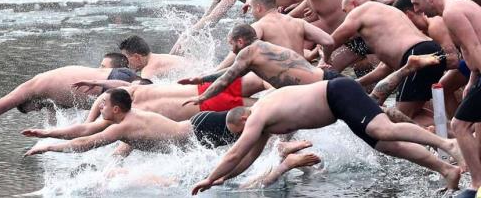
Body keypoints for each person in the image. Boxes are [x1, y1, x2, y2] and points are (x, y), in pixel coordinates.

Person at [190, 78, 464, 195]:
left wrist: (210, 177)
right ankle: (446, 170)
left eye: (240, 132)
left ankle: (446, 144)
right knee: (387, 146)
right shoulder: (262, 121)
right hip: (339, 105)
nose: (244, 135)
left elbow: (236, 152)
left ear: (242, 119)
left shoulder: (258, 115)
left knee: (383, 130)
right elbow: (248, 156)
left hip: (337, 93)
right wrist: (226, 177)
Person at [0, 56, 144, 136]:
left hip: (109, 86)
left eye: (33, 109)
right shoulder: (49, 94)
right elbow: (53, 124)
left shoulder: (33, 86)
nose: (40, 109)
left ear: (29, 101)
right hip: (116, 77)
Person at [408, 0, 481, 195]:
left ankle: (477, 184)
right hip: (478, 74)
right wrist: (471, 81)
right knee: (477, 124)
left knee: (459, 125)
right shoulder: (457, 6)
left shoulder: (451, 13)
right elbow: (472, 49)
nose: (416, 10)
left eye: (417, 4)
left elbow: (475, 47)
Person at [325, 0, 446, 121]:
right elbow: (384, 69)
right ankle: (454, 134)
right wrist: (356, 84)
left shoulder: (360, 11)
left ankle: (450, 139)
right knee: (413, 114)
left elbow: (331, 41)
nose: (346, 16)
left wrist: (324, 59)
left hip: (417, 54)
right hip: (431, 51)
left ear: (354, 4)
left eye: (345, 11)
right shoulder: (386, 15)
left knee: (400, 117)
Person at [22, 89, 246, 158]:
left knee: (254, 119)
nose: (100, 108)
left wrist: (49, 147)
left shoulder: (123, 125)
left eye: (103, 105)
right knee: (255, 134)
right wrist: (46, 133)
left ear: (116, 109)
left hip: (200, 128)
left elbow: (86, 143)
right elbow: (84, 129)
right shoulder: (118, 120)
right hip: (199, 140)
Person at [181, 24, 341, 108]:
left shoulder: (248, 53)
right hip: (323, 83)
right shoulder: (262, 47)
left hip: (323, 87)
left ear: (240, 42)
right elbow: (230, 72)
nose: (231, 49)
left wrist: (202, 97)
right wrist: (202, 78)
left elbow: (225, 81)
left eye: (231, 44)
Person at [77, 73, 264, 122]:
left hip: (205, 104)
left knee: (264, 107)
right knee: (263, 80)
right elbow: (114, 88)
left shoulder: (135, 114)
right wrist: (96, 81)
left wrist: (89, 121)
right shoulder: (135, 89)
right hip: (204, 88)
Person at [170, 0, 274, 55]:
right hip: (269, 3)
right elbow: (212, 9)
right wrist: (193, 30)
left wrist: (185, 36)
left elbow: (214, 18)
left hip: (279, 5)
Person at [393, 0, 463, 116]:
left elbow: (453, 60)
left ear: (408, 15)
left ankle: (458, 126)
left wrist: (421, 63)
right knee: (439, 87)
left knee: (442, 87)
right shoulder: (424, 30)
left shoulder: (434, 25)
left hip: (470, 59)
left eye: (402, 23)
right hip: (467, 58)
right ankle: (454, 125)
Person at [120, 35, 189, 78]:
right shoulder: (161, 57)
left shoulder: (148, 70)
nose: (126, 64)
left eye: (126, 59)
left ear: (137, 57)